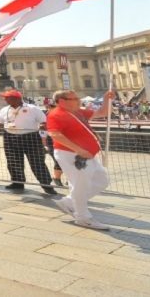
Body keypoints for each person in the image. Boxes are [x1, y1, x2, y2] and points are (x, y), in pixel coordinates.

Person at [48, 90, 115, 230]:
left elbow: (103, 112)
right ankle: (83, 217)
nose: (78, 100)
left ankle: (69, 202)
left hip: (87, 155)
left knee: (101, 181)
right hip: (72, 155)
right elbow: (55, 134)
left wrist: (107, 99)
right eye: (74, 98)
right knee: (81, 185)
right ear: (62, 101)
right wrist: (79, 150)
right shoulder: (56, 114)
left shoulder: (78, 112)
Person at [0, 90, 57, 195]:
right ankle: (17, 183)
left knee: (37, 162)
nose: (5, 99)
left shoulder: (32, 109)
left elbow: (44, 121)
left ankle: (46, 185)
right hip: (10, 137)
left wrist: (43, 125)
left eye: (7, 98)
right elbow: (0, 122)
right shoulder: (4, 110)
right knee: (13, 162)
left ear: (17, 99)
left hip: (31, 137)